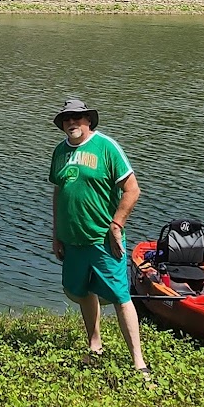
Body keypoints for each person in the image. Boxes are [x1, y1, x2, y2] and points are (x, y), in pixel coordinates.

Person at [48, 97, 148, 380]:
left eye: (76, 118)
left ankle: (139, 363)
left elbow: (132, 189)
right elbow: (58, 192)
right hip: (71, 240)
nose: (71, 123)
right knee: (79, 292)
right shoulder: (60, 152)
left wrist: (116, 225)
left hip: (103, 240)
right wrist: (56, 234)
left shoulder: (106, 147)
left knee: (121, 297)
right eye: (66, 119)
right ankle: (95, 345)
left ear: (88, 120)